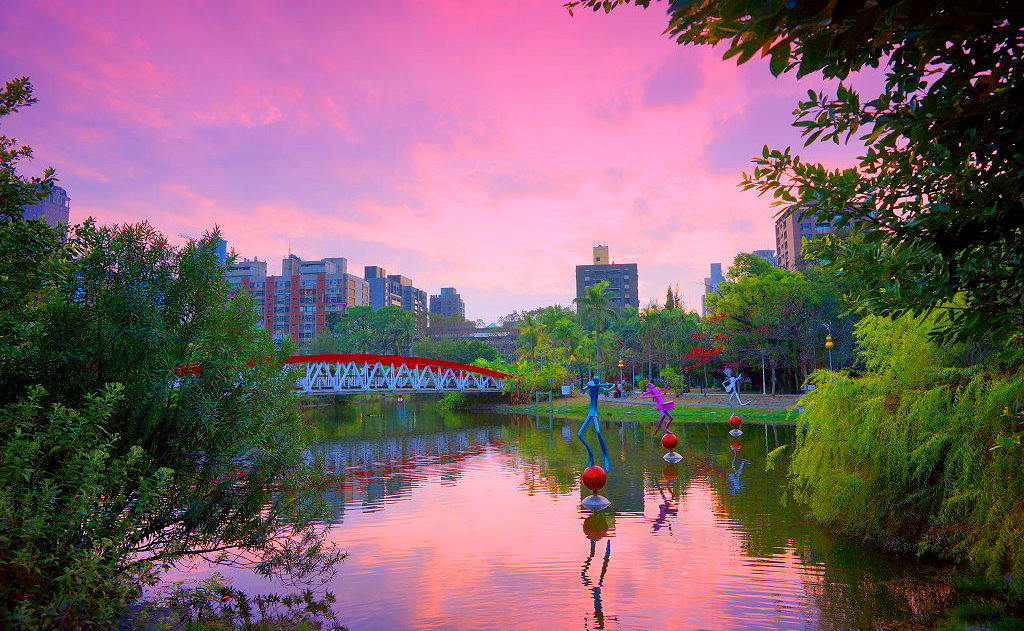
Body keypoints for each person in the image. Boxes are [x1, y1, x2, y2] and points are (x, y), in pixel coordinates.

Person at [579, 375, 614, 471]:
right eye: (596, 381)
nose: (598, 382)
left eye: (598, 381)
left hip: (594, 413)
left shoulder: (599, 385)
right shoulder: (590, 384)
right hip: (590, 413)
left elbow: (612, 385)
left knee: (598, 432)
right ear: (594, 380)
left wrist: (608, 389)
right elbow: (582, 389)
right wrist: (582, 382)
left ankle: (605, 456)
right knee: (579, 435)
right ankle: (591, 455)